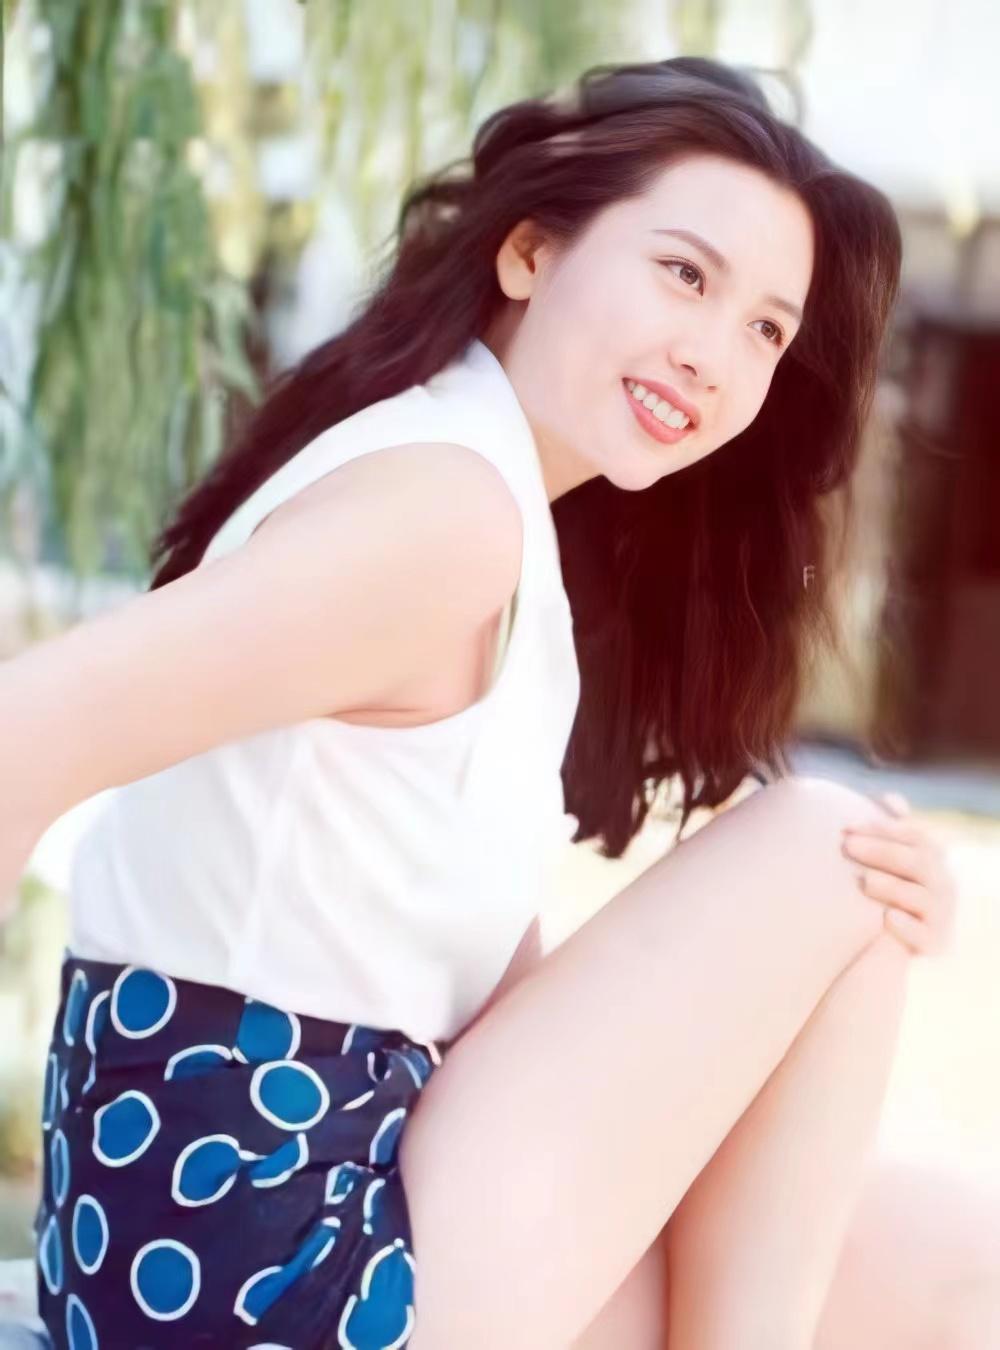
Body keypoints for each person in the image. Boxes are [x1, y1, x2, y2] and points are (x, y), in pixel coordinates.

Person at [1, 55, 960, 1350]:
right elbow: (26, 732)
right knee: (830, 844)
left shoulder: (493, 520)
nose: (715, 356)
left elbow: (509, 1035)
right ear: (529, 253)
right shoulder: (446, 514)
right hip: (253, 1260)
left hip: (323, 1205)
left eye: (766, 331)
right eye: (686, 275)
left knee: (938, 1247)